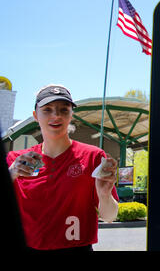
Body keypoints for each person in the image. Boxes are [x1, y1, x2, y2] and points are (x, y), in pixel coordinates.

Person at [6, 84, 119, 251]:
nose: (56, 115)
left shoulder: (93, 157)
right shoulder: (16, 161)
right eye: (47, 109)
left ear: (71, 115)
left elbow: (110, 217)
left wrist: (104, 194)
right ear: (35, 115)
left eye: (64, 110)